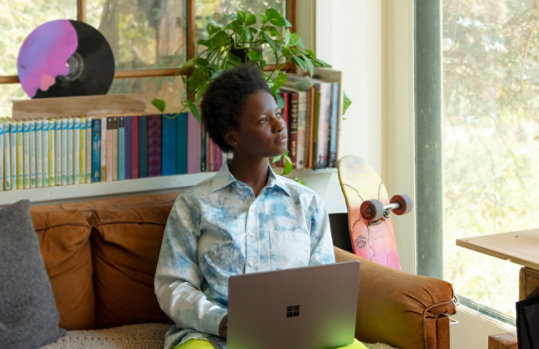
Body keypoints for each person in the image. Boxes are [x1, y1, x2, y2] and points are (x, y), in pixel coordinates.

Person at [154, 64, 366, 349]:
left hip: (297, 336)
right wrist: (221, 321)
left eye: (278, 114)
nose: (280, 125)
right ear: (233, 137)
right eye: (263, 121)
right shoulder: (193, 205)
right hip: (213, 337)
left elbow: (322, 285)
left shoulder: (307, 203)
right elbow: (172, 286)